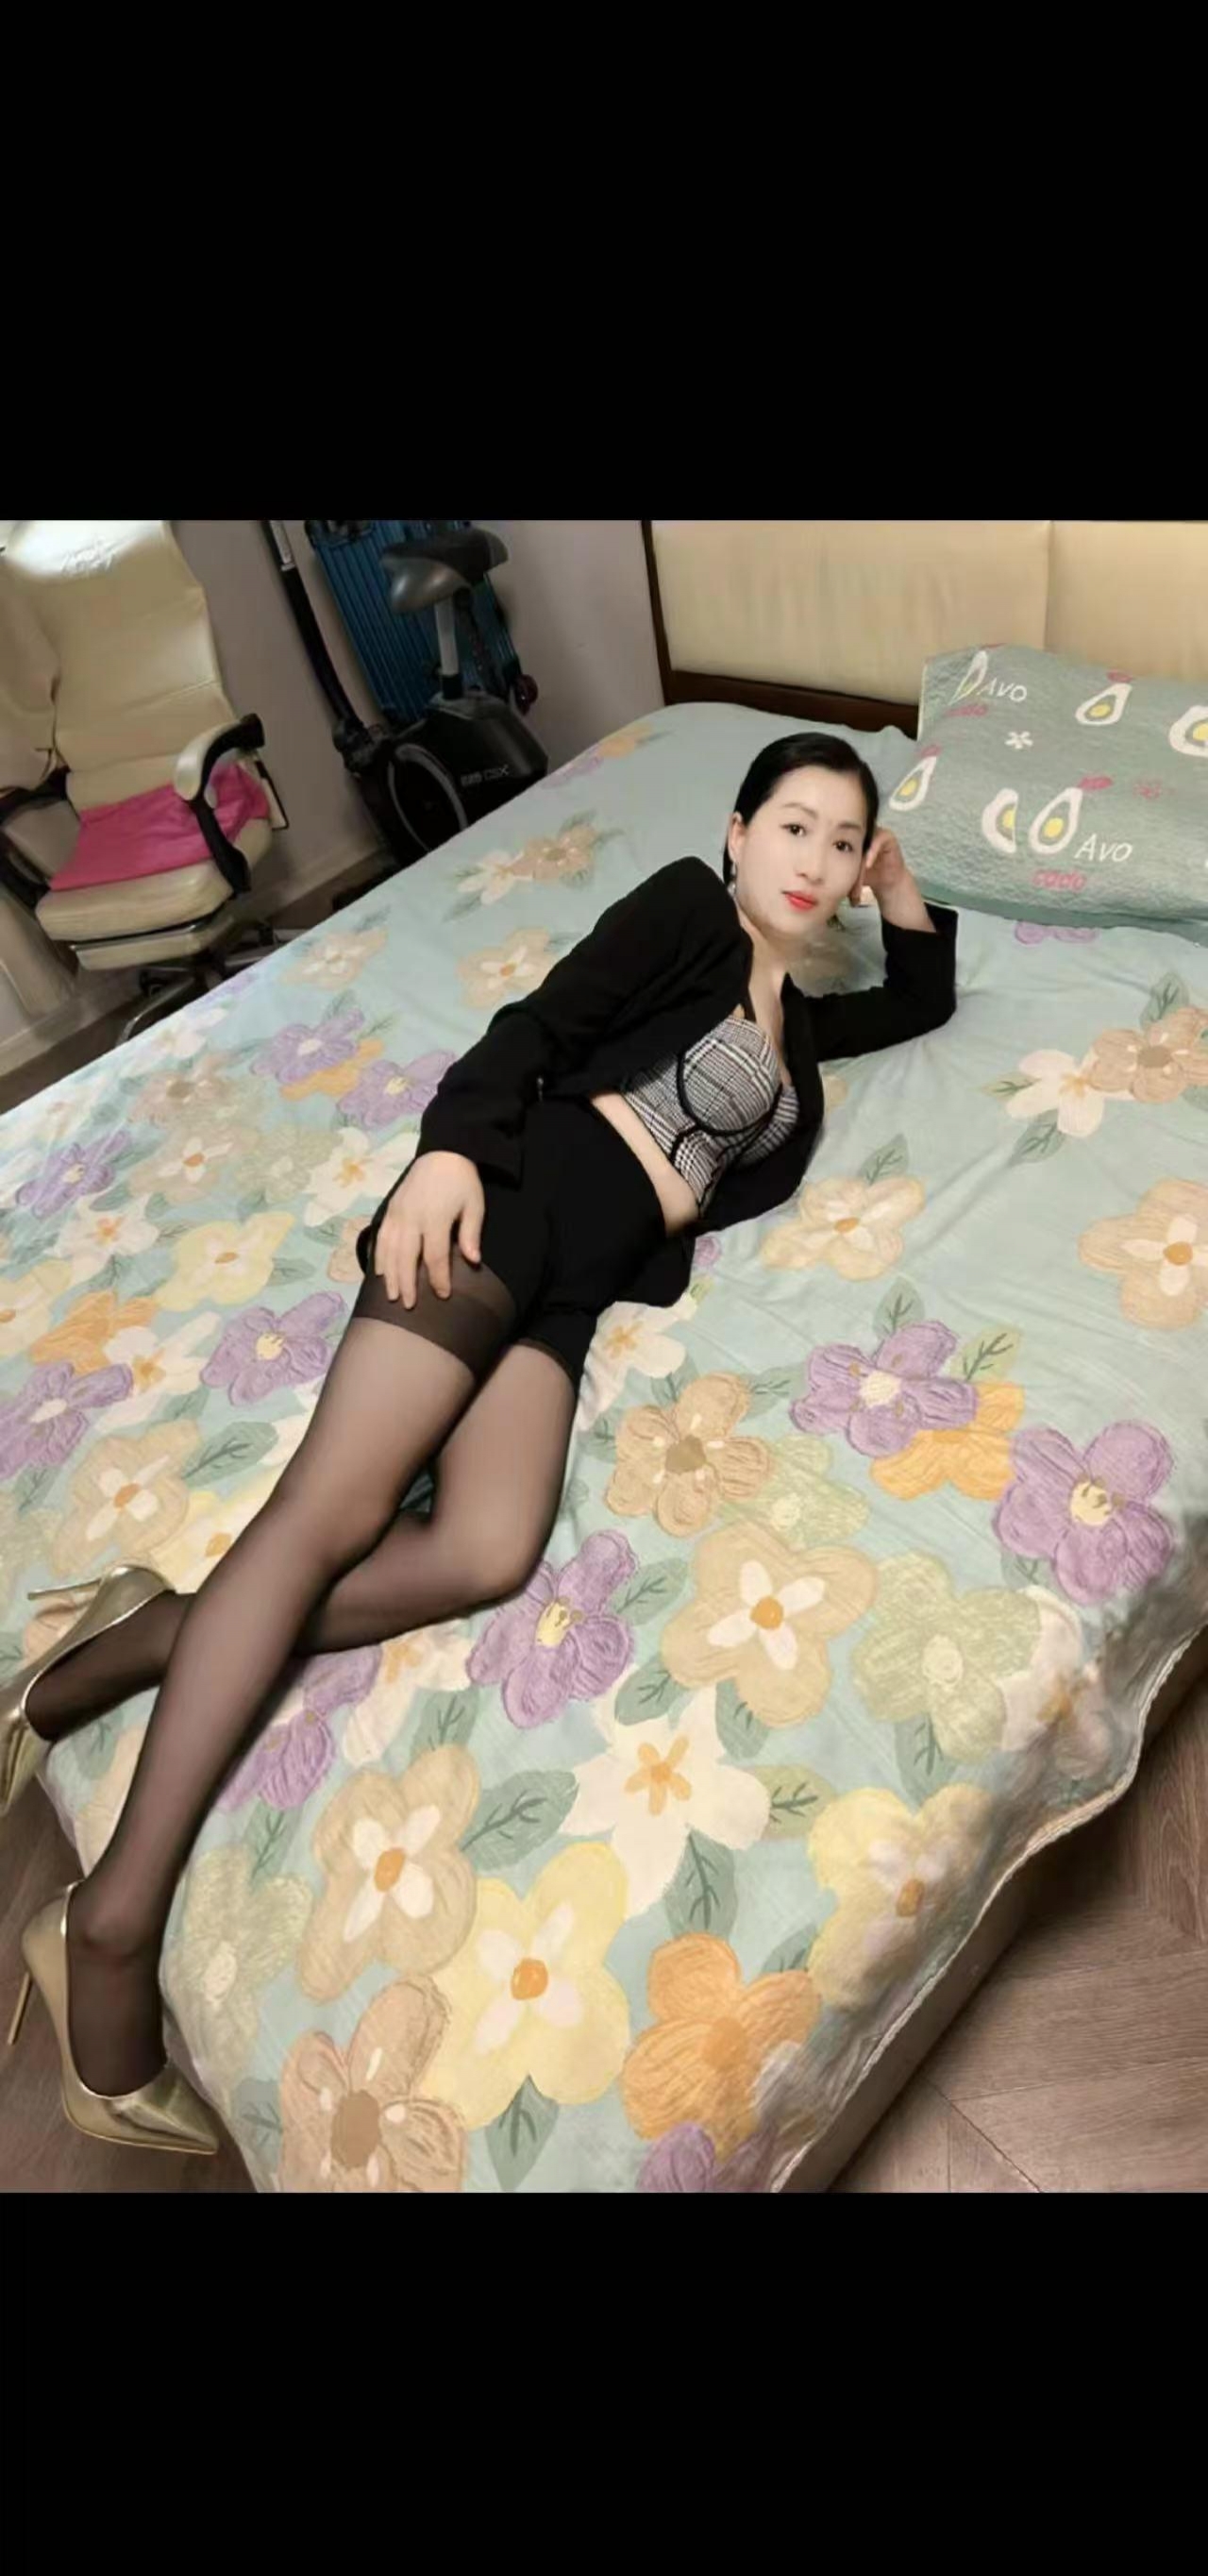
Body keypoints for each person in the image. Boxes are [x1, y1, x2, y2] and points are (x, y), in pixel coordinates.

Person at [3, 732, 957, 2154]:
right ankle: (110, 1928)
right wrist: (450, 1148)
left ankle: (127, 1642)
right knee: (329, 1514)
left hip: (576, 1284)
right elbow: (539, 1025)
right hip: (513, 1198)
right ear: (737, 830)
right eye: (793, 825)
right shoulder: (687, 911)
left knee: (487, 1548)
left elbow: (927, 996)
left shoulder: (800, 1025)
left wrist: (900, 880)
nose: (815, 860)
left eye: (842, 839)